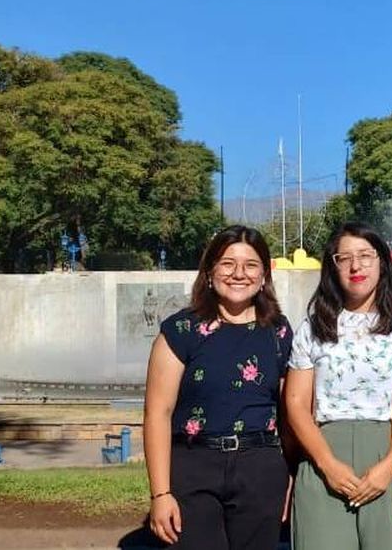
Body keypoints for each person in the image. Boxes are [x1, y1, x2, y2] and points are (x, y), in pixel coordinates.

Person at [285, 221, 392, 550]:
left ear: (382, 262)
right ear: (333, 266)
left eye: (366, 255)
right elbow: (296, 404)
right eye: (345, 257)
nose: (356, 266)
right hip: (324, 458)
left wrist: (387, 467)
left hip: (391, 459)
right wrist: (327, 465)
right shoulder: (313, 326)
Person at [143, 225, 293, 549]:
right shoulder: (181, 330)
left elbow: (288, 413)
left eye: (250, 265)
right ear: (210, 271)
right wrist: (160, 493)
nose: (239, 273)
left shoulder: (279, 331)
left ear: (264, 275)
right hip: (193, 467)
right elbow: (158, 413)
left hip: (260, 467)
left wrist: (290, 477)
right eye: (227, 263)